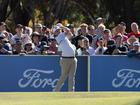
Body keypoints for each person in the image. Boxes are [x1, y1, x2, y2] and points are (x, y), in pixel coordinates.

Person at [53, 26, 77, 92]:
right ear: (55, 33)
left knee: (72, 77)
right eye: (57, 31)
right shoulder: (59, 37)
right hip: (65, 59)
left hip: (73, 59)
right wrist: (62, 26)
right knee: (63, 76)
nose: (58, 31)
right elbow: (68, 30)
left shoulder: (64, 37)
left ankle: (71, 92)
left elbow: (70, 33)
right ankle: (56, 90)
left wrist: (62, 27)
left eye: (59, 30)